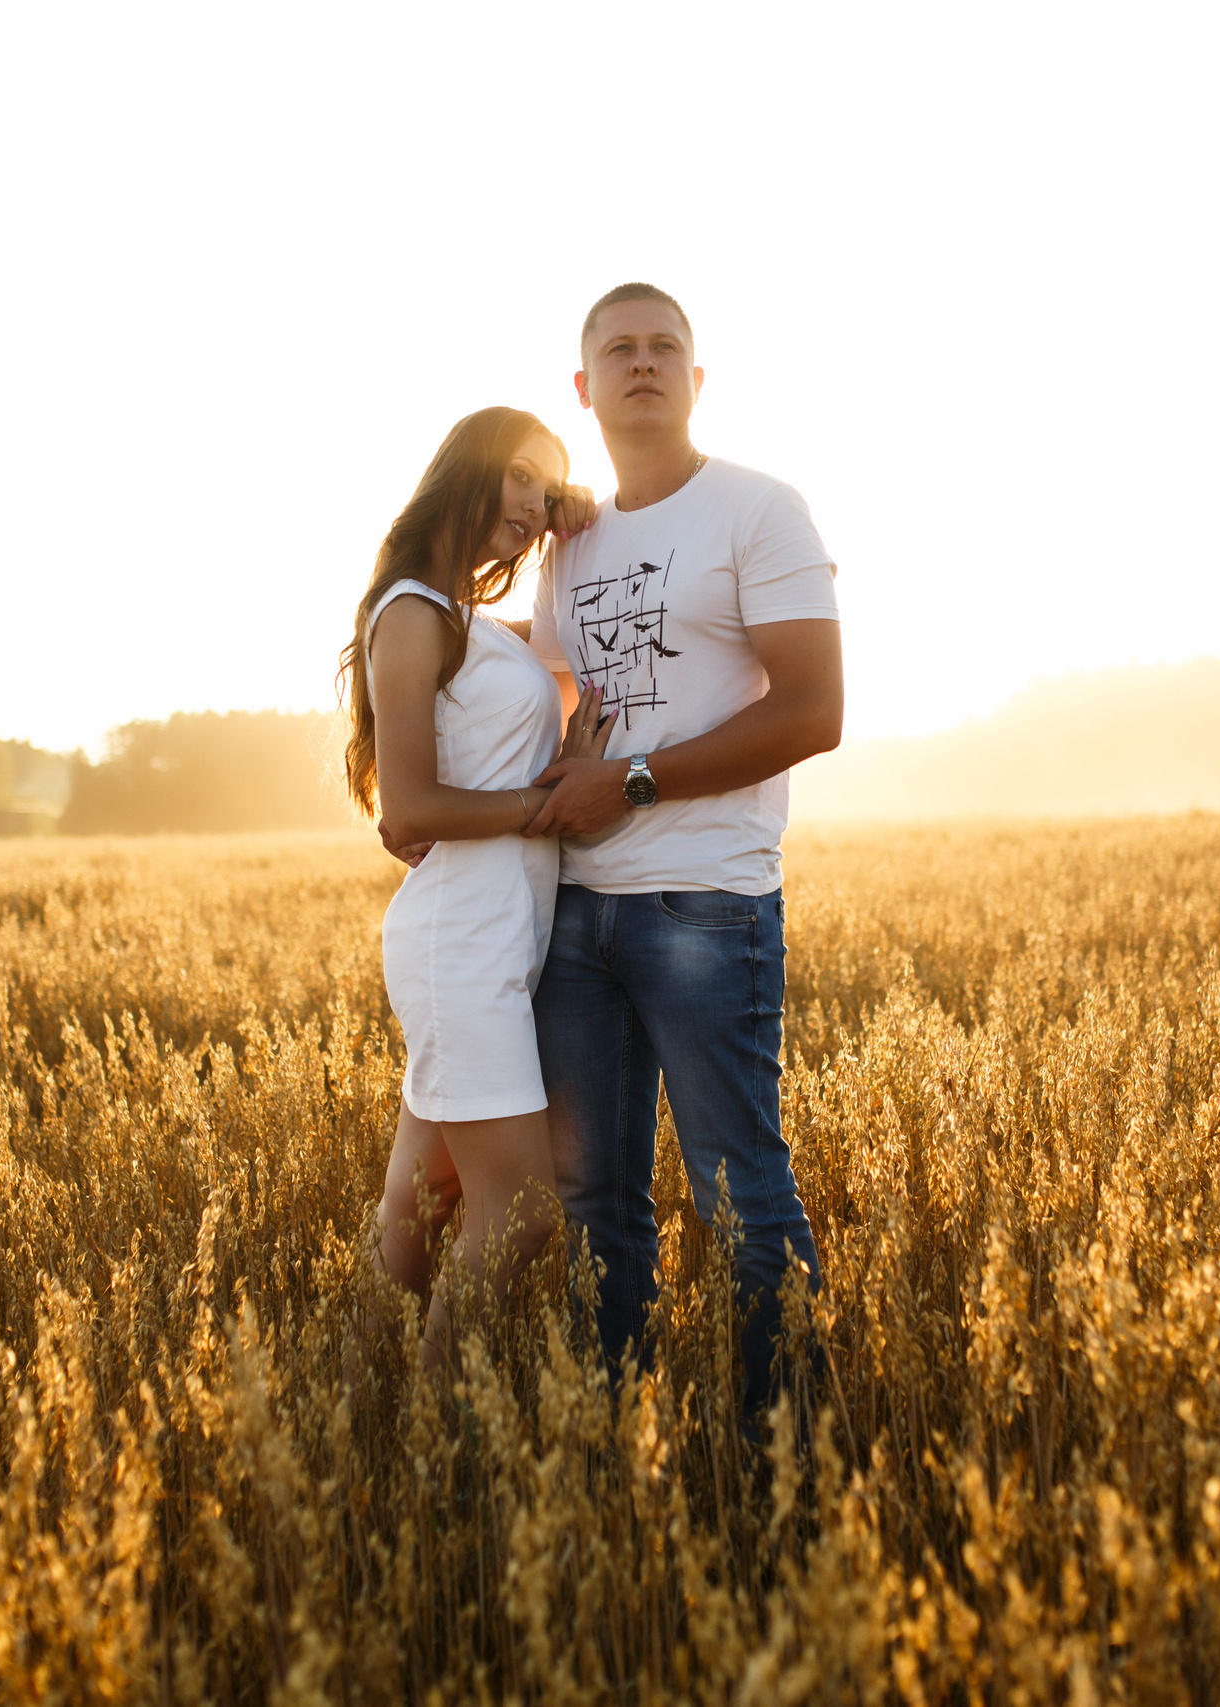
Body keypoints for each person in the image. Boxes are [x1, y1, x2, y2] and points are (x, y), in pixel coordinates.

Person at [520, 284, 845, 1431]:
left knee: (740, 1200)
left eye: (666, 348)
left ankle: (787, 1457)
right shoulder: (570, 546)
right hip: (576, 920)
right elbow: (559, 696)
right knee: (597, 1202)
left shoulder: (760, 511)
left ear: (697, 381)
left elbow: (814, 712)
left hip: (705, 905)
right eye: (619, 348)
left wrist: (634, 782)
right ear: (585, 388)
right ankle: (627, 1451)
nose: (643, 362)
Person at [342, 405, 608, 1368]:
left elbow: (577, 677)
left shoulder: (472, 621)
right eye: (523, 477)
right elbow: (407, 809)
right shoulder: (413, 610)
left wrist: (581, 526)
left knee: (423, 1200)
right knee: (527, 1215)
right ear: (471, 469)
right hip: (462, 938)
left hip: (497, 930)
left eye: (549, 485)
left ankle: (365, 1393)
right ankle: (437, 1435)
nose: (535, 502)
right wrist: (547, 805)